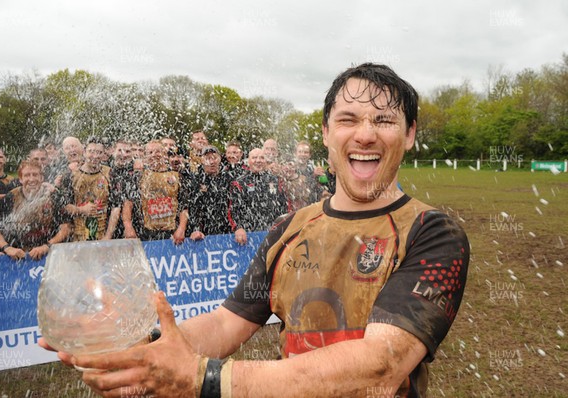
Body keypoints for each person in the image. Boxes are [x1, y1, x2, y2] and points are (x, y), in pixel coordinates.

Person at [41, 63, 469, 397]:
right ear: (325, 132)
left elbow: (381, 363)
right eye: (348, 119)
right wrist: (140, 350)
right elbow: (227, 324)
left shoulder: (433, 231)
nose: (365, 134)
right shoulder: (290, 227)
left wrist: (202, 381)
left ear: (410, 134)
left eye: (384, 120)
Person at [0, 161, 71, 260]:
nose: (31, 179)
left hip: (49, 253)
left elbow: (66, 227)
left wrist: (47, 246)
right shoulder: (12, 197)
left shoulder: (53, 196)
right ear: (20, 179)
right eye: (27, 175)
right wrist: (8, 248)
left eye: (35, 175)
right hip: (18, 254)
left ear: (42, 178)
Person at [122, 140, 188, 243]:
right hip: (145, 232)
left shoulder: (176, 176)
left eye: (157, 151)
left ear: (164, 154)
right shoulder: (139, 176)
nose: (154, 155)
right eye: (150, 152)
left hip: (171, 232)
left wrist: (181, 229)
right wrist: (128, 227)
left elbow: (184, 206)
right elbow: (128, 204)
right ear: (145, 156)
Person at [59, 137, 118, 241]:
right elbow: (64, 206)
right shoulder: (71, 175)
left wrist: (108, 236)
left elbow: (116, 207)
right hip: (77, 236)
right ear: (84, 152)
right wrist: (81, 210)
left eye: (99, 152)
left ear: (104, 154)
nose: (95, 156)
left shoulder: (110, 173)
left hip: (102, 234)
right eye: (91, 152)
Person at [229, 148, 287, 245]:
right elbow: (233, 210)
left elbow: (284, 206)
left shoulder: (276, 180)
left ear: (266, 161)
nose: (258, 160)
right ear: (248, 161)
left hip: (273, 234)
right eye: (254, 158)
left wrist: (283, 224)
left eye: (261, 158)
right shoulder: (239, 182)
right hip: (249, 235)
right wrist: (238, 228)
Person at [188, 146, 234, 240]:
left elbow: (235, 206)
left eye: (214, 158)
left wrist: (236, 228)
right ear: (202, 160)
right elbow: (193, 208)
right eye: (208, 158)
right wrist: (196, 229)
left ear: (220, 159)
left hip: (227, 233)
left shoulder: (229, 178)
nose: (212, 162)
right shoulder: (196, 180)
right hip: (203, 234)